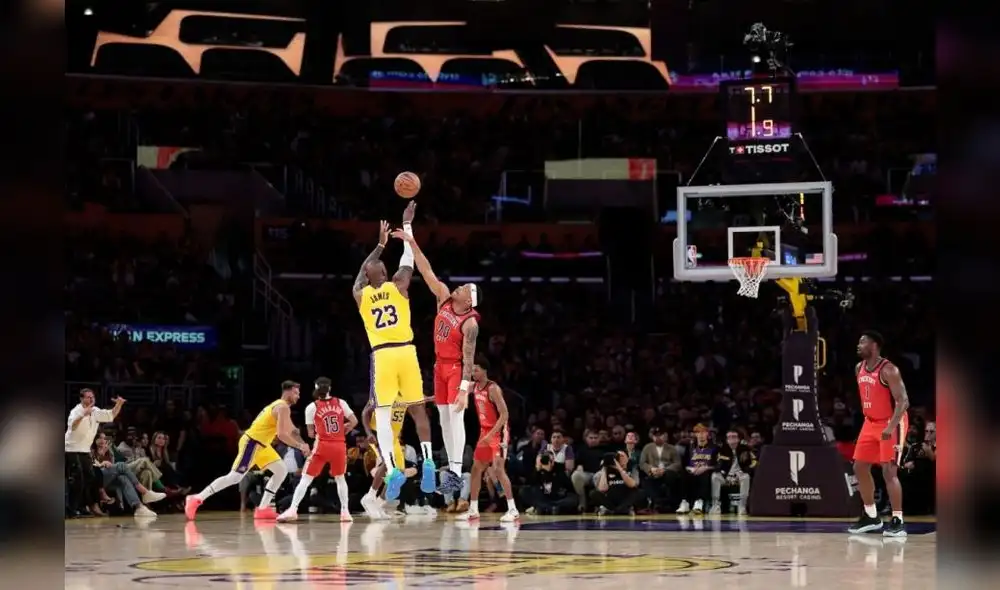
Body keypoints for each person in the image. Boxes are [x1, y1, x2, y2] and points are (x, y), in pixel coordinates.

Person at [390, 207, 480, 495]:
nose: (460, 286)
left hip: (456, 369)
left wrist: (465, 388)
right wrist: (410, 235)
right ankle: (452, 472)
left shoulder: (470, 324)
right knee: (442, 419)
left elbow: (469, 358)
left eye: (465, 288)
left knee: (455, 417)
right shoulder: (443, 297)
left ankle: (455, 471)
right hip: (439, 366)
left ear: (469, 302)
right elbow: (425, 267)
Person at [355, 212, 435, 500]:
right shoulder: (399, 285)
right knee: (418, 412)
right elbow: (408, 261)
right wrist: (408, 229)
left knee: (384, 416)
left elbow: (362, 272)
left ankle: (391, 469)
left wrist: (379, 245)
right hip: (407, 351)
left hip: (384, 356)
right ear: (384, 274)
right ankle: (427, 461)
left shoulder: (361, 295)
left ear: (367, 277)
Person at [185, 381, 311, 520]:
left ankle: (263, 509)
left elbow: (292, 430)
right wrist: (300, 446)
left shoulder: (280, 406)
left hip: (263, 445)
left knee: (281, 470)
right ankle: (196, 499)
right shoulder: (282, 407)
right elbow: (282, 435)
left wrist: (304, 444)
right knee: (234, 477)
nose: (298, 396)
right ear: (288, 391)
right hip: (252, 442)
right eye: (296, 393)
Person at [848, 330, 910, 537]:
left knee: (888, 471)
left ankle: (898, 520)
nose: (858, 345)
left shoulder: (889, 370)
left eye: (862, 342)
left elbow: (903, 401)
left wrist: (890, 428)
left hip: (892, 421)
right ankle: (871, 516)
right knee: (859, 466)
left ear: (874, 345)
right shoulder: (859, 368)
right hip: (870, 422)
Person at [279, 377, 357, 522]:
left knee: (306, 479)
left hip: (322, 446)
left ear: (315, 388)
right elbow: (354, 421)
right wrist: (346, 428)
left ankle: (293, 509)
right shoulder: (341, 402)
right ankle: (345, 512)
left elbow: (310, 433)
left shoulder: (312, 407)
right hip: (339, 445)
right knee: (340, 479)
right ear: (330, 389)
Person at [455, 358, 518, 522]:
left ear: (484, 371)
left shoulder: (493, 388)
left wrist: (492, 435)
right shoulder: (473, 386)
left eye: (476, 370)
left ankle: (513, 509)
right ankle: (473, 509)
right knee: (476, 469)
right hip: (484, 431)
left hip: (499, 430)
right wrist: (433, 398)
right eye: (472, 370)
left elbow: (505, 415)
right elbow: (455, 392)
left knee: (498, 468)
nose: (473, 373)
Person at [65, 389, 125, 516]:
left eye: (92, 397)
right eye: (88, 397)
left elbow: (111, 415)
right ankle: (71, 510)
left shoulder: (95, 411)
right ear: (81, 399)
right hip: (71, 450)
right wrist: (83, 414)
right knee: (78, 480)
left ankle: (84, 506)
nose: (91, 399)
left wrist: (118, 404)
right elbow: (73, 426)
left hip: (85, 451)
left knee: (91, 478)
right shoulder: (76, 411)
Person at [359, 397, 408, 519]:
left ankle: (378, 504)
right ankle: (370, 496)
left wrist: (436, 398)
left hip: (394, 437)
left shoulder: (408, 392)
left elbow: (421, 399)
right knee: (388, 463)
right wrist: (369, 433)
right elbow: (365, 412)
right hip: (378, 433)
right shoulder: (382, 391)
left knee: (400, 474)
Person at [710, 430, 756, 515]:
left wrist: (743, 471)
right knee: (715, 476)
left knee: (746, 477)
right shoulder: (721, 449)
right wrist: (724, 474)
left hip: (739, 476)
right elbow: (715, 465)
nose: (731, 439)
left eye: (734, 437)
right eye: (729, 437)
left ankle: (742, 507)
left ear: (738, 439)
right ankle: (715, 505)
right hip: (725, 476)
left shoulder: (744, 449)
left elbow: (752, 464)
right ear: (726, 439)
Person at [676, 424, 717, 515]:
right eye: (698, 432)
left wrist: (705, 467)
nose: (701, 434)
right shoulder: (690, 447)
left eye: (703, 432)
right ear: (695, 434)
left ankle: (699, 502)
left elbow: (717, 464)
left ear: (707, 434)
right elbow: (685, 463)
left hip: (707, 470)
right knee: (683, 473)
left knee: (704, 474)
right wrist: (690, 468)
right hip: (693, 470)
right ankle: (684, 502)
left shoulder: (714, 447)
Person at [639, 427, 682, 512]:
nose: (658, 437)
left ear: (665, 436)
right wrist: (651, 469)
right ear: (652, 437)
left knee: (672, 477)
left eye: (660, 435)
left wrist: (665, 470)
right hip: (653, 472)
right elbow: (642, 463)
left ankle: (671, 504)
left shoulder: (672, 448)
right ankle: (656, 503)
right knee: (647, 481)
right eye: (656, 435)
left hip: (667, 472)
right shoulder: (647, 448)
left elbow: (678, 463)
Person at [590, 450, 642, 515]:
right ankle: (619, 510)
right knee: (593, 493)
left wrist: (620, 469)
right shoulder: (601, 473)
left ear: (627, 459)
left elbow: (632, 485)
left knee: (638, 492)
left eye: (622, 456)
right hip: (610, 499)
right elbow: (602, 489)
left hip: (625, 498)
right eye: (618, 457)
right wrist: (605, 468)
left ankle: (614, 510)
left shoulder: (632, 470)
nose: (620, 459)